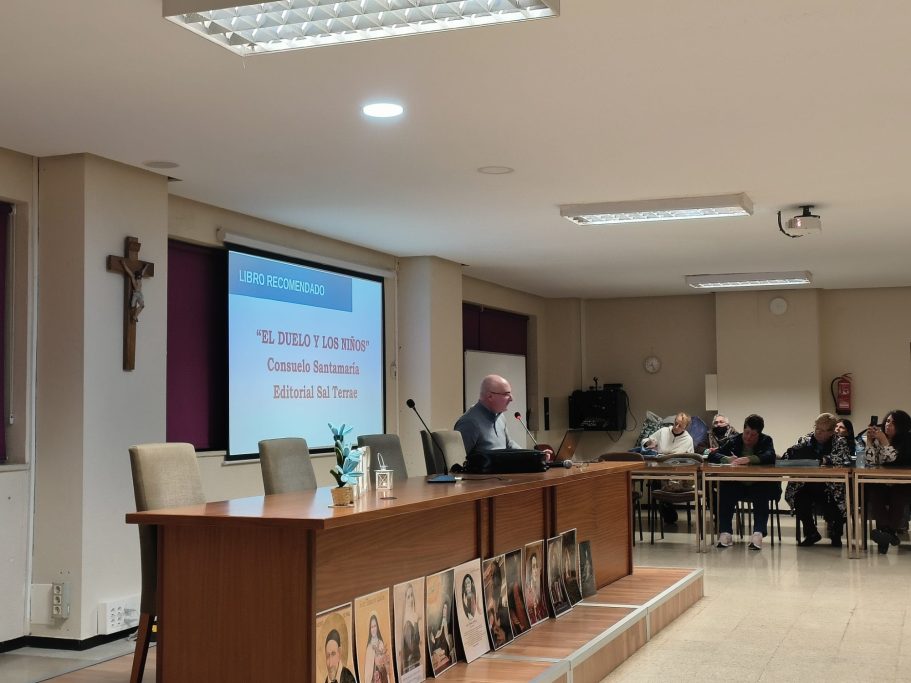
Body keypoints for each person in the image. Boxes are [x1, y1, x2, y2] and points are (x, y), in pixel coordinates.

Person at [708, 414, 778, 550]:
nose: (748, 437)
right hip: (737, 484)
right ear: (743, 429)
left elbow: (770, 456)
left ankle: (758, 533)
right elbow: (713, 455)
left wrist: (749, 459)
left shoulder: (766, 440)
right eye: (746, 432)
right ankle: (725, 532)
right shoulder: (734, 440)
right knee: (725, 488)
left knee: (762, 490)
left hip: (757, 484)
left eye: (753, 434)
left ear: (759, 434)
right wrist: (726, 459)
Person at [782, 413, 851, 547]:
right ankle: (811, 533)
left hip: (831, 484)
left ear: (831, 432)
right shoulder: (805, 440)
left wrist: (825, 459)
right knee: (799, 498)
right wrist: (792, 455)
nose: (818, 432)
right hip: (807, 483)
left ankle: (836, 534)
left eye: (822, 430)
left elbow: (845, 459)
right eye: (817, 428)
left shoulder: (839, 441)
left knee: (837, 500)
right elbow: (789, 456)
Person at [455, 374, 553, 459]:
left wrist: (535, 456)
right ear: (490, 396)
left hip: (503, 473)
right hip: (484, 475)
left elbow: (508, 444)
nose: (511, 399)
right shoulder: (469, 422)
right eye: (506, 394)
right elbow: (457, 463)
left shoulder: (500, 416)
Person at [865, 410, 911, 554]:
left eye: (893, 423)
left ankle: (885, 533)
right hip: (881, 482)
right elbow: (870, 462)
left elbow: (893, 459)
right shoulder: (879, 440)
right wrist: (870, 442)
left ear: (902, 426)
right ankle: (889, 533)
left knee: (899, 495)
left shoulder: (907, 441)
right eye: (888, 421)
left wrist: (884, 441)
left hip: (902, 483)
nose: (888, 425)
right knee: (874, 493)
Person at [637, 413, 695, 524]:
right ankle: (667, 507)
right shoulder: (663, 431)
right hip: (660, 470)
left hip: (677, 473)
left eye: (680, 426)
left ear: (686, 427)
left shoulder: (688, 439)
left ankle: (667, 507)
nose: (676, 427)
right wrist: (649, 442)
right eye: (675, 423)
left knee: (664, 484)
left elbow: (691, 461)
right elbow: (645, 441)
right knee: (656, 481)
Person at [363, 614, 394, 683]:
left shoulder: (381, 643)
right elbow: (368, 672)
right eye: (372, 627)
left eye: (375, 626)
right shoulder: (369, 648)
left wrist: (382, 663)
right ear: (370, 629)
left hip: (382, 678)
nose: (373, 629)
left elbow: (386, 667)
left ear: (377, 627)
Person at [400, 583, 422, 672]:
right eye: (408, 597)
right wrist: (416, 622)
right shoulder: (406, 621)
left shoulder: (413, 614)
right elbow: (413, 646)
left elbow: (417, 639)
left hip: (416, 661)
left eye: (412, 595)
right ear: (405, 599)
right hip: (411, 665)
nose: (411, 599)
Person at [429, 600, 455, 668]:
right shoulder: (438, 624)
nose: (444, 610)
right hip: (439, 656)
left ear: (448, 610)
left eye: (445, 608)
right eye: (443, 608)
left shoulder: (449, 624)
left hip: (447, 655)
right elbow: (434, 640)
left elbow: (449, 640)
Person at [524, 551, 548, 622]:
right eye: (533, 567)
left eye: (537, 566)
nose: (536, 570)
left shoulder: (540, 585)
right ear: (529, 569)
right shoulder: (527, 590)